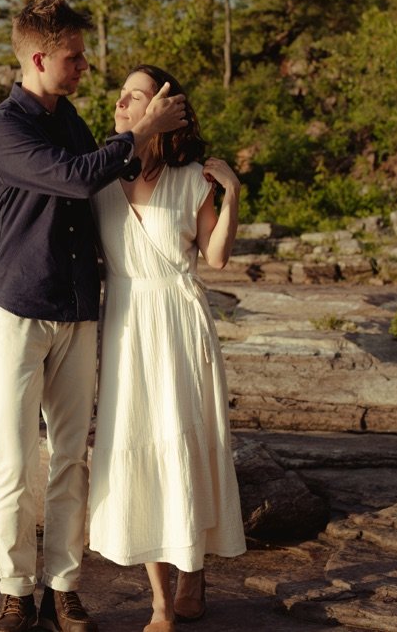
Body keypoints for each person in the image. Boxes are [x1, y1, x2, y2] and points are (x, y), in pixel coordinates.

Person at [0, 0, 187, 632]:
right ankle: (16, 592)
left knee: (71, 458)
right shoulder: (4, 127)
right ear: (39, 58)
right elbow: (74, 178)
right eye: (73, 57)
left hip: (76, 311)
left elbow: (112, 175)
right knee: (14, 464)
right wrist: (140, 129)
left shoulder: (69, 120)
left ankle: (63, 587)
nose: (84, 66)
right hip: (15, 310)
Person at [87, 64, 246, 632]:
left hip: (178, 321)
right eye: (120, 97)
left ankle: (192, 570)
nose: (120, 104)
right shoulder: (102, 178)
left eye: (133, 96)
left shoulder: (190, 178)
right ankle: (158, 599)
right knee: (137, 447)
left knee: (185, 441)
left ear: (162, 107)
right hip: (127, 322)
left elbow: (218, 258)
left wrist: (230, 192)